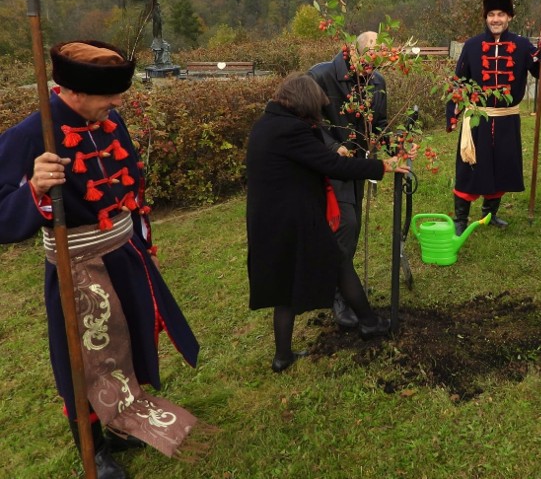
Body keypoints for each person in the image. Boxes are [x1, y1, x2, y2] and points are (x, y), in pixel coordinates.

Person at [0, 41, 202, 478]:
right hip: (77, 268)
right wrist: (33, 190)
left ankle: (120, 423)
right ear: (72, 91)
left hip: (123, 255)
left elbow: (130, 184)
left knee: (128, 343)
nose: (116, 104)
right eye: (108, 95)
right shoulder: (31, 135)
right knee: (82, 362)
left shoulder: (111, 121)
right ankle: (93, 450)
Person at [245, 72, 409, 373]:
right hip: (291, 218)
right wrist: (384, 165)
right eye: (317, 107)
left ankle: (283, 357)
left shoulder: (268, 123)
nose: (319, 113)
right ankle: (369, 323)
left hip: (271, 217)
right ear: (305, 103)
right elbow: (332, 164)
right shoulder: (291, 130)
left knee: (286, 284)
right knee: (338, 262)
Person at [447, 0, 541, 235]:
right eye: (491, 15)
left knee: (501, 164)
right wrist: (452, 114)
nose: (495, 19)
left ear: (509, 17)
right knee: (469, 165)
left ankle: (489, 214)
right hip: (478, 118)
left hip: (507, 118)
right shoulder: (472, 45)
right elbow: (459, 81)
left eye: (500, 15)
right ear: (486, 18)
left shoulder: (522, 45)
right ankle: (460, 218)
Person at [307, 31, 388, 329]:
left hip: (357, 167)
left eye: (377, 58)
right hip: (328, 167)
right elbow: (307, 119)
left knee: (352, 229)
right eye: (366, 55)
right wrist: (331, 146)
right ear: (351, 52)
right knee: (345, 225)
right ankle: (338, 294)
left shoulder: (377, 82)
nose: (371, 63)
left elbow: (380, 124)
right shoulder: (320, 76)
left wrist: (397, 144)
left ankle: (345, 287)